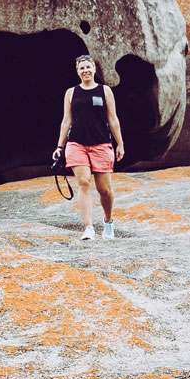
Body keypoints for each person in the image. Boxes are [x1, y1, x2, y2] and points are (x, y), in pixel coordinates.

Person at [52, 54, 124, 240]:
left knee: (104, 190)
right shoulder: (71, 93)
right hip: (77, 144)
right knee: (84, 183)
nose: (85, 70)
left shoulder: (105, 91)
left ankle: (108, 222)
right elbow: (66, 120)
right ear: (77, 72)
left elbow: (113, 119)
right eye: (81, 68)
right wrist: (60, 146)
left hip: (101, 143)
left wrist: (120, 144)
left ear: (94, 69)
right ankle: (89, 228)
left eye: (88, 67)